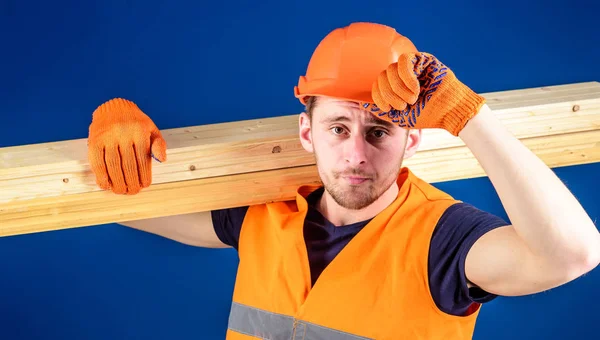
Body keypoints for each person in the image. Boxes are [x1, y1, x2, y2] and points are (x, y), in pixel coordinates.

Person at [86, 22, 600, 339]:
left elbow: (572, 254)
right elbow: (127, 203)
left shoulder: (442, 242)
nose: (357, 153)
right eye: (338, 128)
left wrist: (468, 116)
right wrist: (114, 135)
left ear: (411, 141)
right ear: (307, 132)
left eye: (380, 130)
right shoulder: (264, 217)